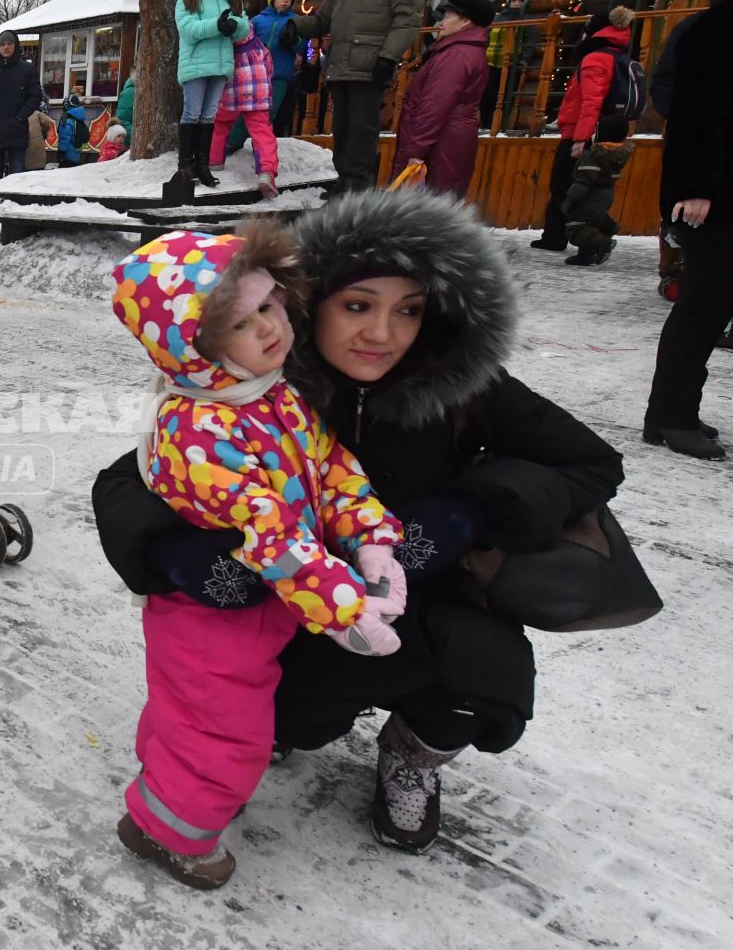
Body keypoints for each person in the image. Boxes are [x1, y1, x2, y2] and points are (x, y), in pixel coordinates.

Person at [95, 191, 623, 855]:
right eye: (356, 306)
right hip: (301, 612)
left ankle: (414, 752)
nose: (383, 334)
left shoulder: (460, 382)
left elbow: (592, 463)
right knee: (239, 707)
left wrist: (473, 507)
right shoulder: (262, 388)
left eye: (408, 309)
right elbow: (133, 476)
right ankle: (235, 760)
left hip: (425, 603)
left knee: (489, 672)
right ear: (311, 302)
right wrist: (174, 552)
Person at [108, 222, 408, 888]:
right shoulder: (197, 428)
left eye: (272, 305)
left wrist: (372, 537)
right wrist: (345, 608)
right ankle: (166, 834)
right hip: (208, 615)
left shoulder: (272, 396)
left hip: (267, 603)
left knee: (193, 718)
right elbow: (267, 529)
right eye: (244, 323)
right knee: (224, 735)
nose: (272, 329)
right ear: (197, 347)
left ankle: (170, 788)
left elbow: (330, 469)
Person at [642, 0, 733, 461]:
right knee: (703, 304)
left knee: (714, 303)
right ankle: (671, 416)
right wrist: (696, 188)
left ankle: (673, 412)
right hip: (715, 195)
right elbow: (696, 114)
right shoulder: (714, 30)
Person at [285, 0, 426, 193]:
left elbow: (407, 19)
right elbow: (324, 19)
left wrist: (388, 56)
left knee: (363, 132)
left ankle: (359, 188)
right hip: (341, 66)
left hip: (371, 65)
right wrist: (295, 25)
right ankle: (344, 182)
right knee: (343, 130)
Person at [534, 6, 636, 254]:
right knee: (577, 188)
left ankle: (597, 237)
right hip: (605, 132)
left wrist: (580, 139)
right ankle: (554, 235)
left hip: (583, 134)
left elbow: (592, 101)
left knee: (563, 189)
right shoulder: (619, 56)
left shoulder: (595, 59)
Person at [389, 0, 492, 199]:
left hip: (440, 145)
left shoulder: (457, 54)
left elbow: (435, 105)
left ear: (466, 22)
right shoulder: (460, 50)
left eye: (447, 16)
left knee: (426, 213)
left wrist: (415, 151)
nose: (441, 22)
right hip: (446, 141)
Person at [174, 0, 247, 190]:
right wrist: (216, 25)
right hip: (195, 63)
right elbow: (186, 28)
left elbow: (243, 24)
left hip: (220, 64)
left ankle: (202, 164)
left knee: (208, 115)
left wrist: (233, 26)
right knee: (192, 113)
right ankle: (185, 165)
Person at [210, 23, 280, 198]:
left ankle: (214, 161)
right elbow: (269, 67)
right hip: (257, 93)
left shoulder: (226, 46)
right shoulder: (258, 45)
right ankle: (266, 172)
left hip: (230, 93)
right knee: (262, 131)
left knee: (220, 125)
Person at [0, 31, 41, 181]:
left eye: (9, 43)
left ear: (15, 45)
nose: (6, 47)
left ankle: (15, 204)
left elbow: (35, 96)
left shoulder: (27, 70)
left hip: (17, 131)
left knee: (17, 179)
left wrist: (20, 116)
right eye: (2, 44)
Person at [559, 140, 636, 267]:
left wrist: (569, 199)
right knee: (593, 224)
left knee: (576, 229)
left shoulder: (596, 155)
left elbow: (583, 181)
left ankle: (604, 243)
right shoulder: (616, 154)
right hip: (605, 195)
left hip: (590, 196)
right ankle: (586, 255)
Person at [244, 0, 301, 142]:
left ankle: (259, 144)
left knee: (269, 111)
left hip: (279, 74)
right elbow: (245, 42)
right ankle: (235, 142)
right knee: (247, 109)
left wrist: (294, 41)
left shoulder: (295, 21)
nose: (285, 0)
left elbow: (301, 45)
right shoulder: (258, 20)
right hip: (255, 75)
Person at [484, 0, 537, 132]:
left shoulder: (527, 20)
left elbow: (530, 43)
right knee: (488, 93)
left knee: (506, 96)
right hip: (491, 62)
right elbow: (486, 37)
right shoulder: (497, 18)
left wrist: (523, 60)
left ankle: (499, 126)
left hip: (512, 64)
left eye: (520, 0)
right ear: (509, 1)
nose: (517, 3)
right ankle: (485, 123)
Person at [55, 93, 91, 167]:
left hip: (66, 156)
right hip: (76, 154)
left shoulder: (67, 120)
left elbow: (64, 139)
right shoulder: (78, 119)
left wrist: (60, 154)